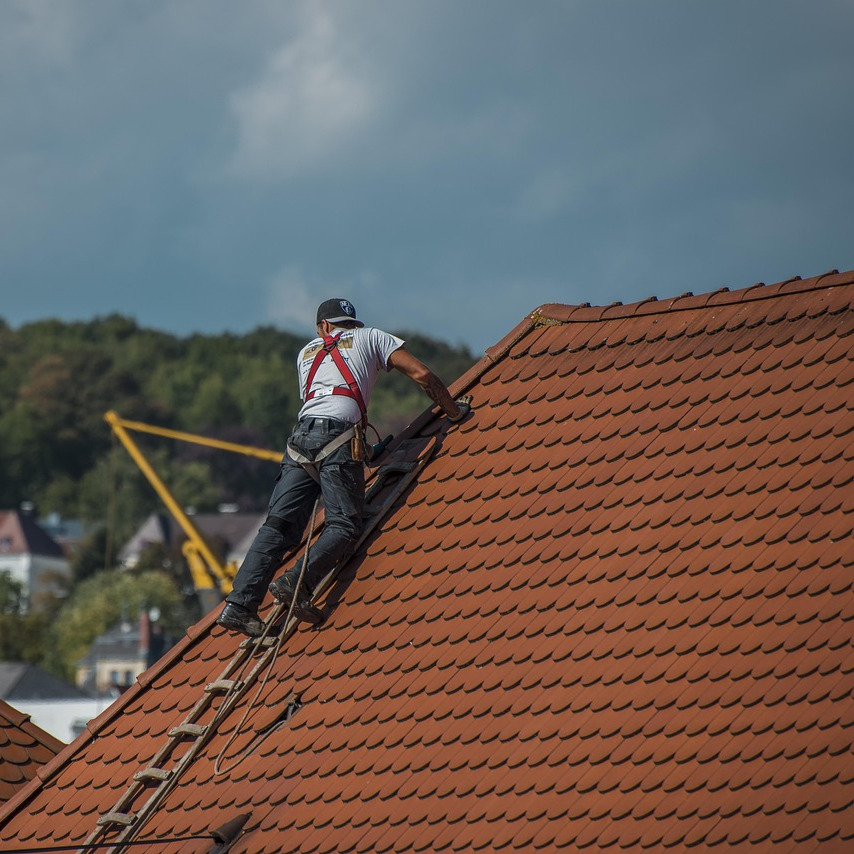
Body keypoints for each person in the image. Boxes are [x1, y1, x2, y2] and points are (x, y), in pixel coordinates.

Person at [217, 297, 472, 637]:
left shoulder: (306, 353)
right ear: (352, 323)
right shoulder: (371, 336)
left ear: (323, 327)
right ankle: (296, 582)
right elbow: (422, 374)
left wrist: (361, 451)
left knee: (278, 527)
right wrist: (453, 411)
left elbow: (323, 402)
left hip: (299, 441)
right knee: (345, 525)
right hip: (338, 437)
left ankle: (239, 605)